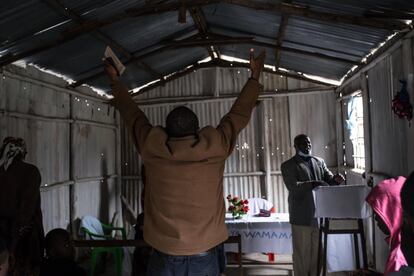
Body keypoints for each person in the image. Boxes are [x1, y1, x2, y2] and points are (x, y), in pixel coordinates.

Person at [104, 49, 265, 275]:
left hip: (164, 256)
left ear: (167, 131)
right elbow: (237, 115)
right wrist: (254, 76)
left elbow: (133, 115)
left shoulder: (151, 147)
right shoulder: (215, 147)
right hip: (204, 256)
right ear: (197, 130)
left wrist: (114, 79)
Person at [281, 134, 344, 276]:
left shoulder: (319, 161)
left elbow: (328, 180)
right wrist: (314, 183)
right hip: (301, 215)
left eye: (309, 142)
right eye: (304, 143)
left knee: (318, 251)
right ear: (296, 146)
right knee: (302, 252)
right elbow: (293, 187)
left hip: (320, 214)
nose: (308, 145)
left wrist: (336, 180)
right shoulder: (288, 165)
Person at [0, 137, 44, 275]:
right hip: (24, 237)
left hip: (1, 235)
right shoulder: (31, 172)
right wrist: (13, 246)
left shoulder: (1, 172)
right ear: (23, 153)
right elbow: (25, 212)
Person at [366, 177, 407, 275]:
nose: (375, 218)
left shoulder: (398, 258)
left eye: (380, 213)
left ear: (393, 211)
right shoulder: (406, 240)